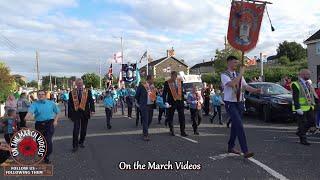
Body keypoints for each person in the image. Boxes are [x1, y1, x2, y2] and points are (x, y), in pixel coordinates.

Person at [221, 56, 261, 158]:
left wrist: (256, 90)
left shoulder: (238, 74)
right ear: (229, 63)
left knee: (235, 126)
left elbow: (245, 86)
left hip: (239, 102)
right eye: (234, 62)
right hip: (230, 103)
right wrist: (241, 73)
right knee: (239, 125)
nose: (236, 64)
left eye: (237, 63)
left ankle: (231, 147)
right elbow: (232, 83)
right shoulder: (224, 74)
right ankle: (245, 150)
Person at [25, 90, 60, 164]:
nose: (41, 95)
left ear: (45, 95)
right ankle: (42, 153)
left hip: (49, 123)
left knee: (47, 140)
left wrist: (55, 121)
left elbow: (58, 112)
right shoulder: (34, 104)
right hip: (39, 124)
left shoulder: (51, 103)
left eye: (42, 94)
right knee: (40, 141)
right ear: (37, 96)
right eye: (39, 94)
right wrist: (27, 117)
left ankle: (47, 156)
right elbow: (30, 112)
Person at [292, 69, 318, 145]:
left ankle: (300, 132)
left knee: (312, 122)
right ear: (302, 75)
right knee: (302, 123)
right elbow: (295, 97)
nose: (309, 76)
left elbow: (311, 95)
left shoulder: (308, 83)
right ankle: (303, 139)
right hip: (300, 108)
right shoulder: (295, 84)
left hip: (309, 107)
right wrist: (297, 108)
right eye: (308, 74)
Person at [68, 78, 95, 152]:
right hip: (76, 113)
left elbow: (91, 101)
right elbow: (70, 104)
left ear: (83, 84)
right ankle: (75, 146)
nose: (80, 84)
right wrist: (70, 115)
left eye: (81, 83)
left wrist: (92, 110)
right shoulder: (72, 93)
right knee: (75, 130)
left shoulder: (87, 92)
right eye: (78, 83)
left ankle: (81, 142)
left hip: (85, 113)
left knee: (84, 130)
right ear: (76, 84)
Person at [163, 71, 188, 137]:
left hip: (180, 101)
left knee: (182, 117)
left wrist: (184, 99)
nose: (172, 78)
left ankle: (183, 131)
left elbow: (182, 91)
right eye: (171, 76)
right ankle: (172, 130)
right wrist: (165, 102)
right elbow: (164, 93)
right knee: (171, 116)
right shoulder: (167, 82)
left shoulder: (180, 81)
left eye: (174, 76)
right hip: (171, 102)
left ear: (176, 76)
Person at [135, 75, 156, 141]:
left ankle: (145, 129)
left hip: (151, 105)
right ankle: (145, 135)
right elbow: (137, 96)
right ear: (149, 79)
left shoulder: (153, 87)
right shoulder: (142, 86)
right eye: (152, 79)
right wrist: (140, 104)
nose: (153, 80)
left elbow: (154, 95)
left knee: (150, 120)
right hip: (144, 106)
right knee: (145, 120)